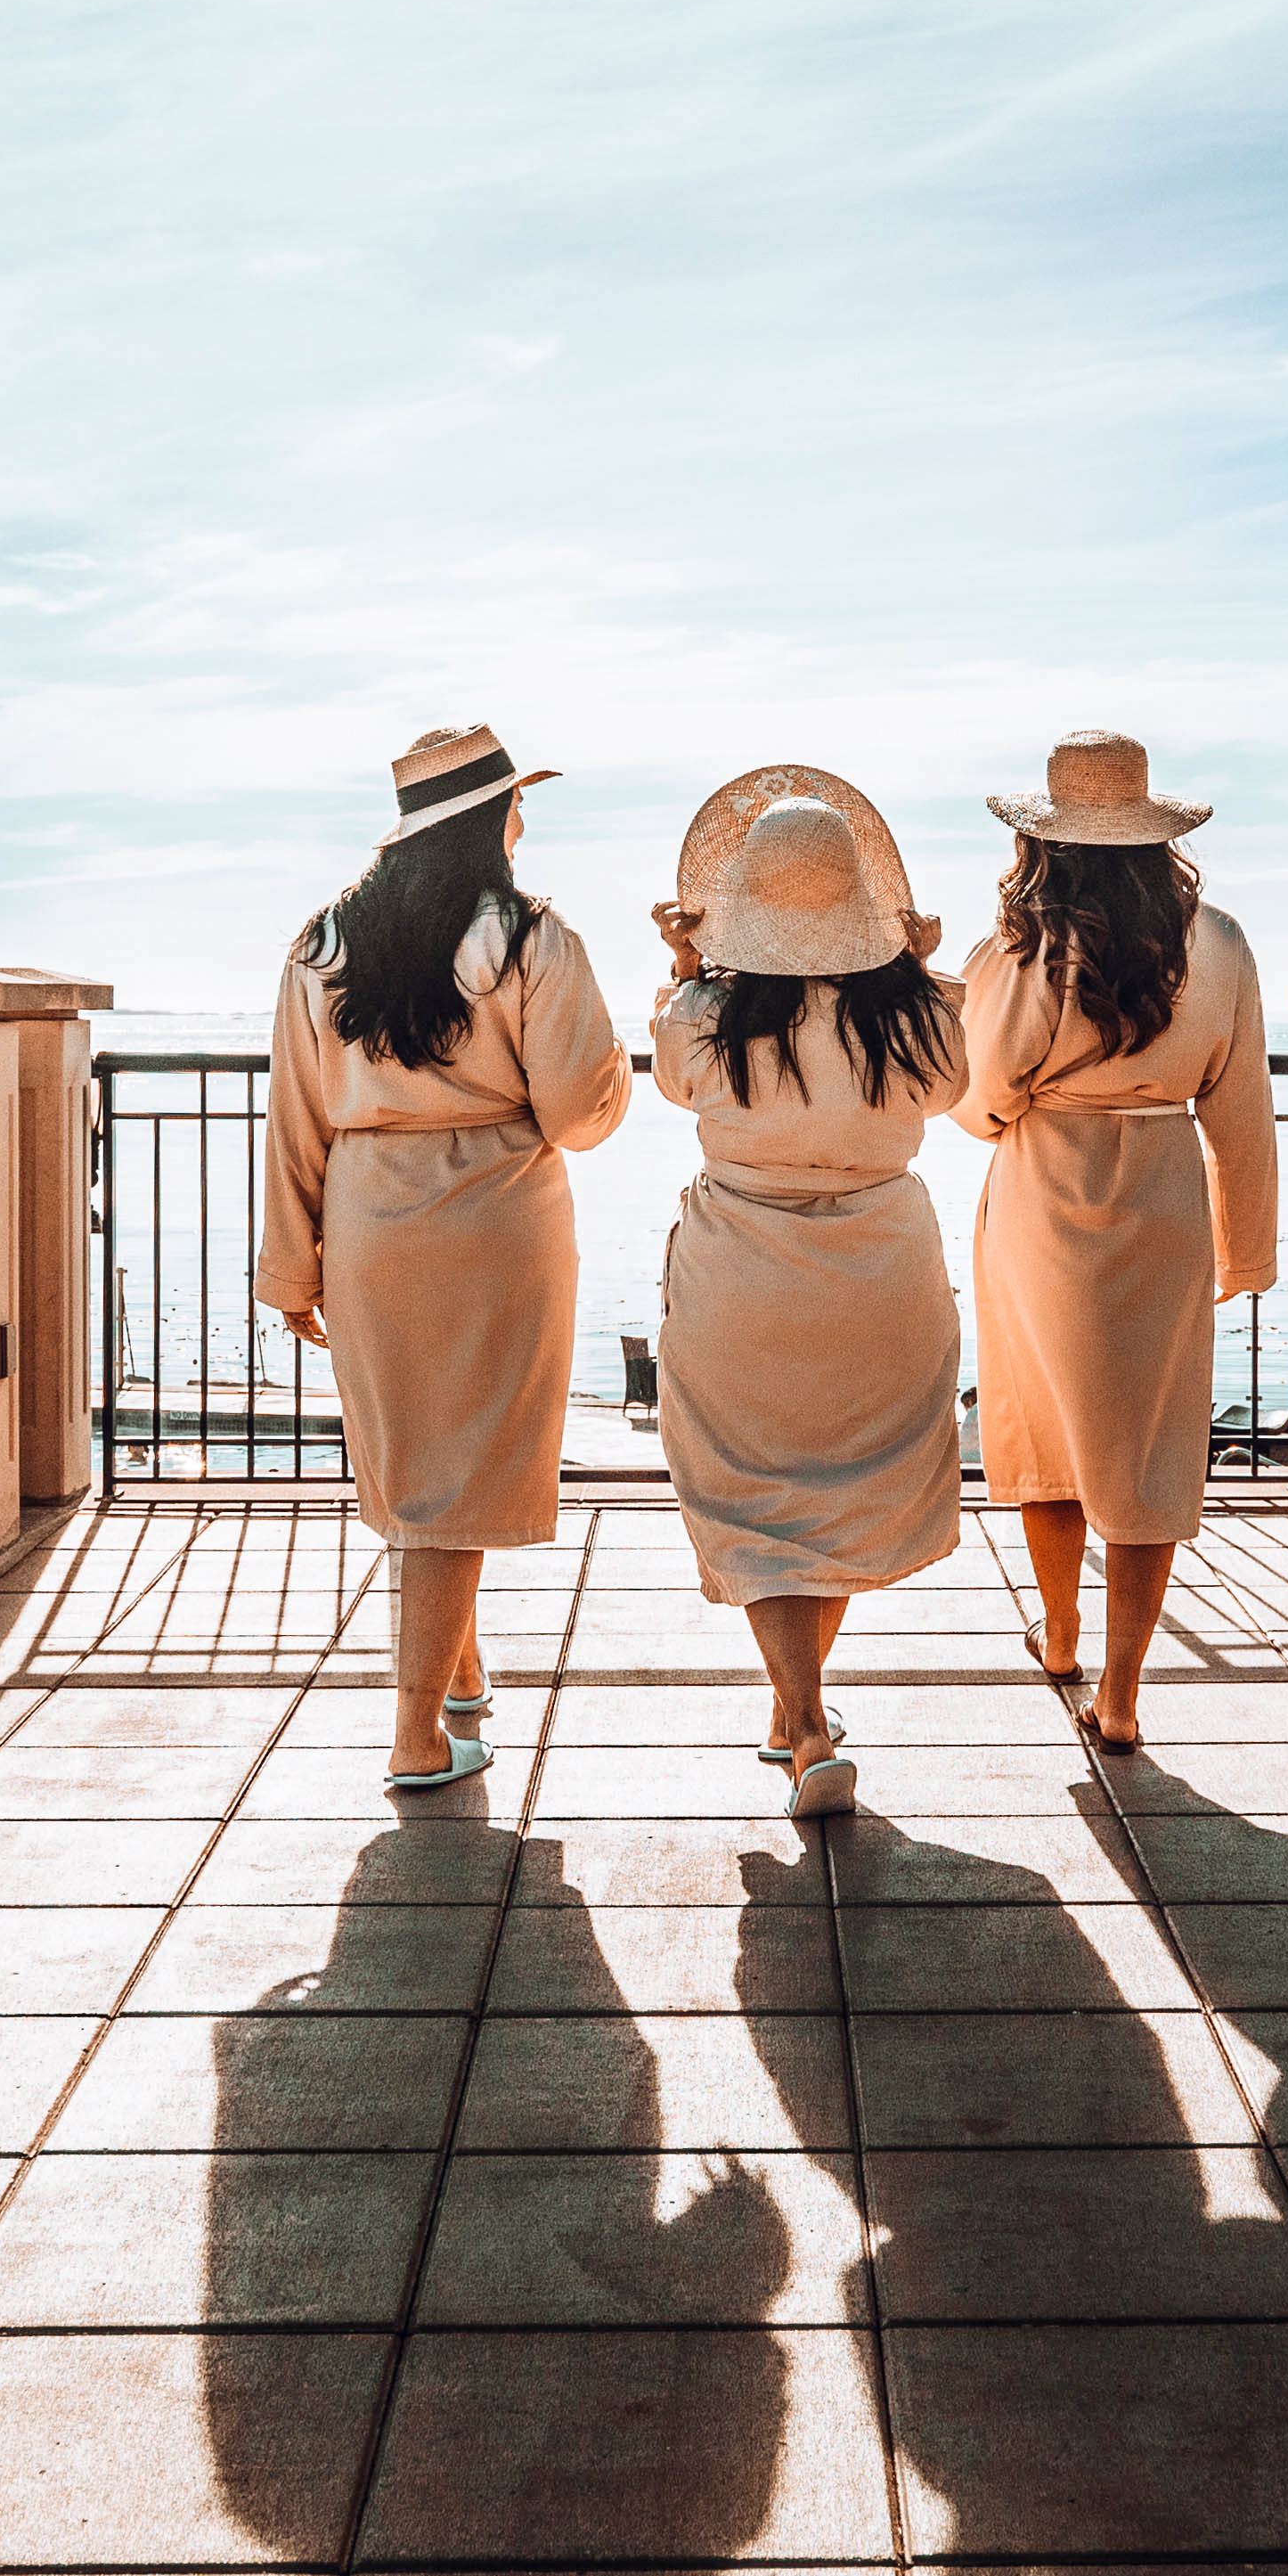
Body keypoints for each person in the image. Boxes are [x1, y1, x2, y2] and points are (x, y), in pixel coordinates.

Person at [264, 723, 630, 1789]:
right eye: (517, 801)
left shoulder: (322, 941)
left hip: (372, 1218)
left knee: (420, 1467)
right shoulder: (529, 938)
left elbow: (295, 1117)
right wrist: (606, 1066)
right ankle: (417, 1735)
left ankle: (461, 1690)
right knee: (451, 1481)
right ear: (489, 819)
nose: (524, 818)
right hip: (497, 1220)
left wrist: (292, 1263)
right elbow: (577, 1114)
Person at [640, 768, 964, 1820]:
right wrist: (916, 964)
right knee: (840, 1488)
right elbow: (958, 1087)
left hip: (743, 1266)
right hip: (881, 1268)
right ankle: (801, 1710)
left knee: (757, 1492)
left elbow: (673, 1077)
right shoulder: (913, 1018)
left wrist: (688, 961)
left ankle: (804, 1714)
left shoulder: (707, 1013)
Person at [950, 730, 1271, 1762]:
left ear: (1045, 841)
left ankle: (1063, 1636)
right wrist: (1244, 1249)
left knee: (1046, 1430)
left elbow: (979, 1099)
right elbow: (1243, 1106)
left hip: (1044, 1191)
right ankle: (1124, 1691)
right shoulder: (1216, 939)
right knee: (1148, 1443)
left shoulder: (1016, 952)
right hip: (1166, 1190)